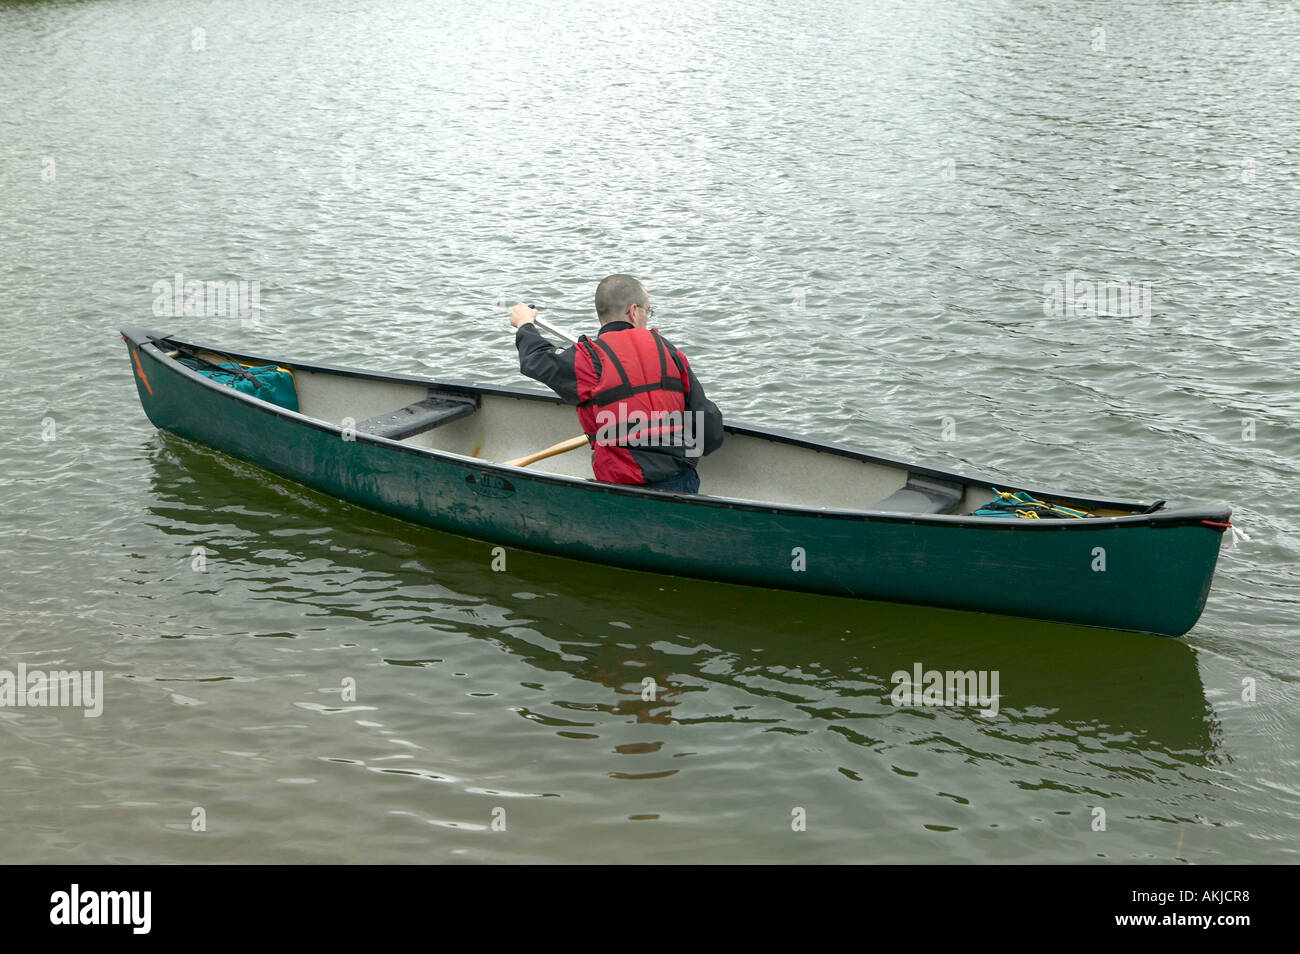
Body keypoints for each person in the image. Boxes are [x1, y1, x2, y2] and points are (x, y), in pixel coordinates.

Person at [508, 275, 723, 493]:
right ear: (633, 311)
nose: (647, 317)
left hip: (619, 487)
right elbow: (710, 430)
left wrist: (525, 324)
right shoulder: (669, 352)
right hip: (679, 480)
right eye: (648, 311)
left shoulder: (589, 359)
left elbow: (535, 360)